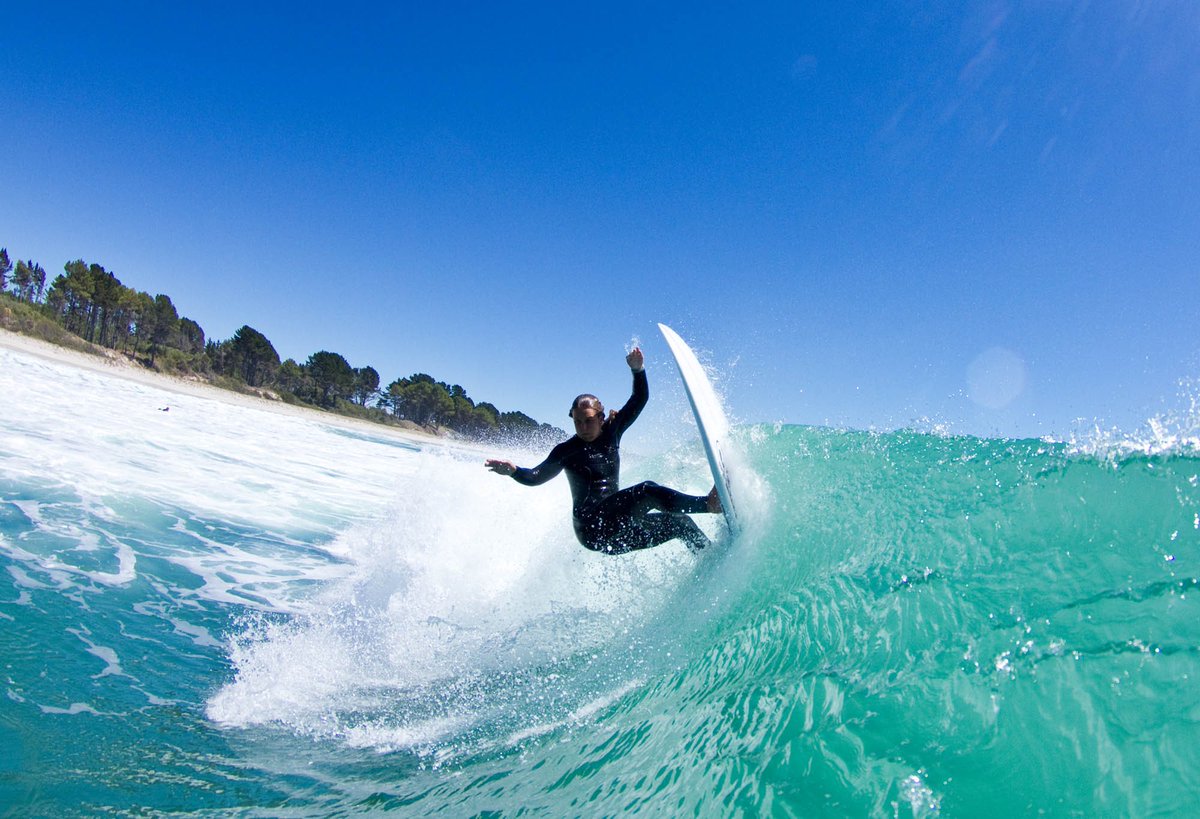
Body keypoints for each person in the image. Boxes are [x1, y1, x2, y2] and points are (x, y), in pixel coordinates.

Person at [485, 346, 722, 555]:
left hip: (620, 529)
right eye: (577, 421)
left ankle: (710, 558)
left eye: (588, 420)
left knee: (681, 523)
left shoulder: (612, 432)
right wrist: (514, 470)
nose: (583, 427)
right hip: (592, 531)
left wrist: (638, 370)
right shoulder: (566, 451)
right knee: (648, 490)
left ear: (600, 417)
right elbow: (535, 477)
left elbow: (639, 399)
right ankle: (709, 505)